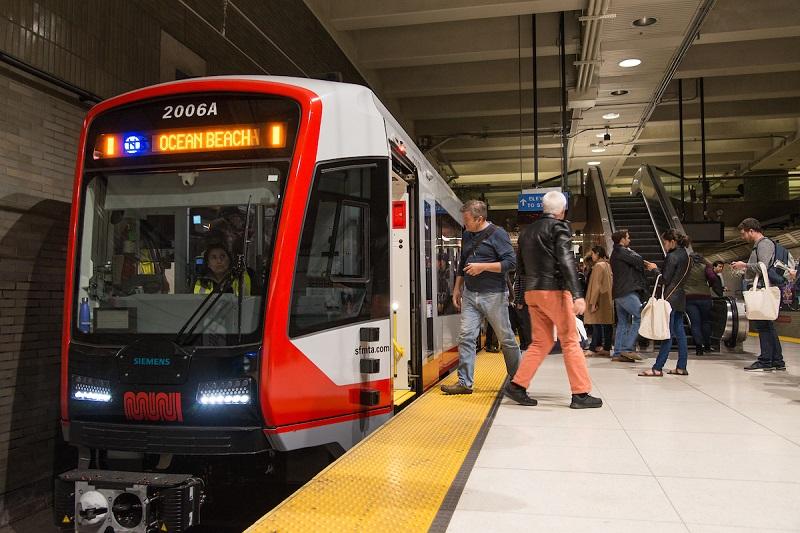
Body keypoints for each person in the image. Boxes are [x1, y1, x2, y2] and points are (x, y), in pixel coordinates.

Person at [504, 191, 602, 409]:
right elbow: (566, 260)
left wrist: (521, 296)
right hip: (554, 292)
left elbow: (520, 268)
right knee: (570, 341)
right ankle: (581, 393)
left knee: (542, 341)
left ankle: (517, 386)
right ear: (563, 211)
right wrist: (577, 294)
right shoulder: (560, 227)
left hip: (533, 292)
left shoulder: (527, 233)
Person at [442, 200, 520, 395]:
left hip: (493, 294)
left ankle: (518, 381)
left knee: (506, 338)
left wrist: (483, 266)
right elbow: (463, 263)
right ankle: (464, 383)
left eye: (467, 220)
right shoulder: (468, 234)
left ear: (480, 218)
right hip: (470, 294)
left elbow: (511, 263)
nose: (464, 224)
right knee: (466, 337)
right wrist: (457, 288)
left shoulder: (498, 233)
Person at [731, 218, 786, 371]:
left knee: (763, 326)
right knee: (767, 326)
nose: (743, 237)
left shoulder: (764, 244)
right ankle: (777, 361)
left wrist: (745, 265)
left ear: (751, 230)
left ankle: (765, 360)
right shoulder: (760, 245)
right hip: (761, 287)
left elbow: (763, 266)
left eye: (743, 234)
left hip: (762, 289)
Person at [639, 230, 692, 377]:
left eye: (665, 242)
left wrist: (654, 269)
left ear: (672, 241)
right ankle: (681, 367)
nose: (665, 245)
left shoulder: (672, 256)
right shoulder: (687, 256)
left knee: (666, 333)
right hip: (680, 297)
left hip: (669, 299)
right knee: (679, 333)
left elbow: (664, 280)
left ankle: (657, 367)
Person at [610, 229, 658, 362]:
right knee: (640, 316)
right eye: (628, 238)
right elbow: (637, 260)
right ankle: (628, 349)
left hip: (619, 293)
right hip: (627, 291)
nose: (629, 240)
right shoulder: (622, 251)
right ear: (622, 239)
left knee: (623, 322)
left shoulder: (616, 252)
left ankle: (618, 352)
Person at [684, 253, 717, 355]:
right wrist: (708, 284)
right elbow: (713, 278)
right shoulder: (706, 267)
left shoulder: (685, 268)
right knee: (706, 322)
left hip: (689, 297)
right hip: (704, 296)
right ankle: (707, 345)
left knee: (695, 323)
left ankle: (699, 348)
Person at [584, 246, 614, 357]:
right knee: (606, 324)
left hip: (599, 300)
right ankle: (606, 347)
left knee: (596, 323)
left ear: (597, 253)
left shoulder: (598, 266)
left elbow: (595, 285)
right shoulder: (607, 265)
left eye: (593, 254)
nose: (592, 256)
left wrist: (593, 302)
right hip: (606, 298)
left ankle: (592, 348)